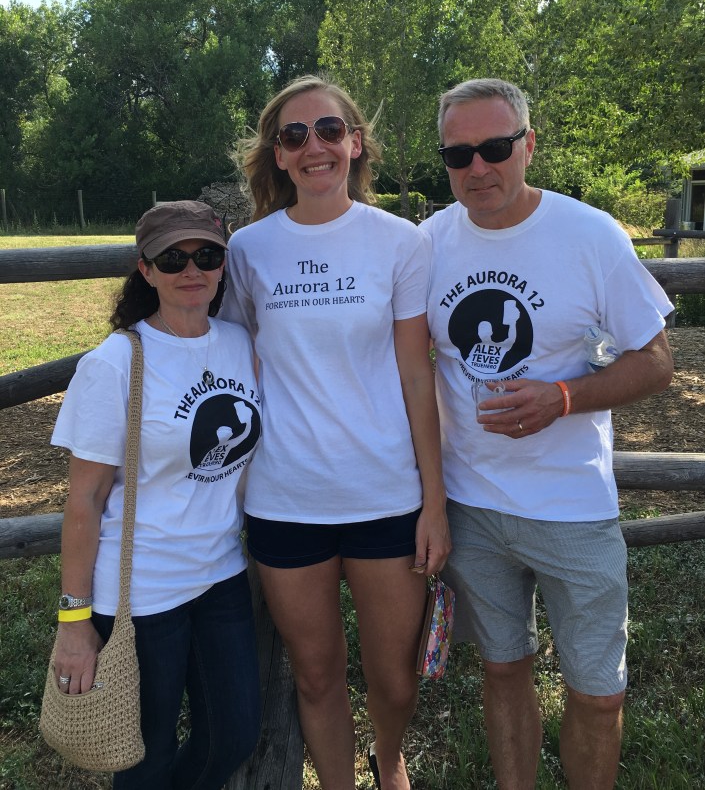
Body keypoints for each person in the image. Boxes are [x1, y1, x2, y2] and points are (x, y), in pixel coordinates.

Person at [421, 79, 674, 789]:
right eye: (459, 154)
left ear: (529, 145)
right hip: (472, 504)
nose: (478, 167)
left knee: (599, 693)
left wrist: (562, 398)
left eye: (495, 148)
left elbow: (656, 360)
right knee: (503, 670)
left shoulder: (589, 235)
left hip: (572, 505)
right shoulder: (428, 242)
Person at [220, 74, 450, 790]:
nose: (313, 146)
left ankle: (388, 758)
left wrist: (434, 502)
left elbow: (417, 377)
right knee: (316, 677)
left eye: (328, 130)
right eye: (294, 135)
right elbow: (232, 362)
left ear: (355, 142)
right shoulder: (247, 250)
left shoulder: (400, 242)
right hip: (285, 499)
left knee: (395, 679)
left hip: (387, 496)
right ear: (278, 155)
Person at [50, 200, 262, 790]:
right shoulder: (116, 362)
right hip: (141, 594)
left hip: (221, 576)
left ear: (223, 265)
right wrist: (74, 621)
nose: (191, 269)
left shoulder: (239, 343)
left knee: (234, 735)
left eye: (206, 255)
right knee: (146, 756)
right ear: (145, 270)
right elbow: (85, 501)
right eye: (172, 259)